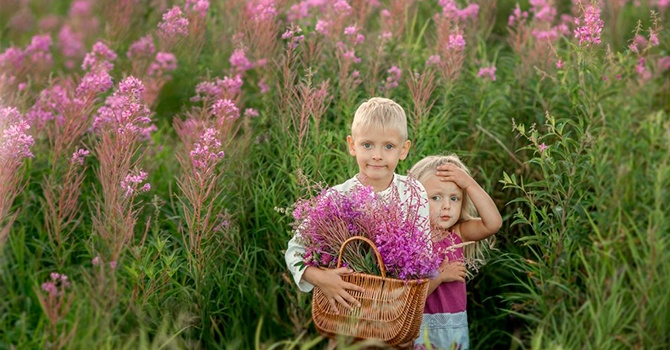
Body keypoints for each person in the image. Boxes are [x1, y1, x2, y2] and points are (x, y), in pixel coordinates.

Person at [284, 97, 432, 316]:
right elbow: (294, 252)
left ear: (404, 149)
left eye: (389, 146)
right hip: (348, 312)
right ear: (352, 145)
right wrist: (323, 279)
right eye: (367, 144)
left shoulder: (413, 192)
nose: (377, 155)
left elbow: (423, 257)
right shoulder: (337, 197)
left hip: (396, 312)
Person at [409, 154, 502, 350]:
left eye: (454, 198)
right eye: (435, 197)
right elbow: (408, 296)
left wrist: (469, 184)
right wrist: (440, 276)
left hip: (453, 329)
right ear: (415, 199)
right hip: (419, 328)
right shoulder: (410, 241)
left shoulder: (456, 234)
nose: (447, 206)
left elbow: (493, 223)